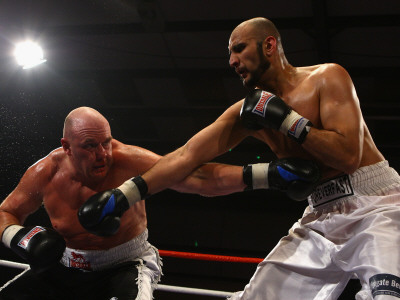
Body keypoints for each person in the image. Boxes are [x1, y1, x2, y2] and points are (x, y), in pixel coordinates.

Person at [79, 17, 400, 300]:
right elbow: (185, 157)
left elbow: (347, 156)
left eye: (239, 48)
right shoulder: (248, 112)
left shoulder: (326, 77)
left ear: (269, 45)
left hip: (377, 204)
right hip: (320, 215)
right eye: (229, 53)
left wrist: (287, 120)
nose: (232, 60)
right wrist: (125, 194)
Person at [0, 106, 319, 300]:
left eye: (107, 142)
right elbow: (6, 212)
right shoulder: (45, 173)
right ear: (66, 147)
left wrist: (269, 174)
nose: (103, 154)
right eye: (90, 146)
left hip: (125, 265)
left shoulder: (128, 160)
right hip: (65, 265)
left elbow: (195, 179)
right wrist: (24, 239)